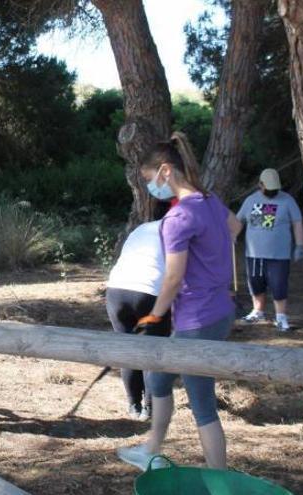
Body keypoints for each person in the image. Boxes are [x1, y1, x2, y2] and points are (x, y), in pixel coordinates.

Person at [117, 132, 241, 472]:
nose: (149, 188)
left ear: (165, 171)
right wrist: (215, 266)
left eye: (148, 180)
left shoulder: (178, 218)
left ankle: (220, 480)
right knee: (158, 378)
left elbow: (172, 278)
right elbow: (235, 226)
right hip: (218, 312)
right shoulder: (209, 200)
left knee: (202, 405)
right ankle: (151, 450)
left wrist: (154, 316)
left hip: (197, 320)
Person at [105, 201, 172, 421]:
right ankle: (150, 408)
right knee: (152, 351)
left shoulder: (141, 229)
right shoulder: (176, 232)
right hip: (149, 292)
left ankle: (133, 405)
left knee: (128, 349)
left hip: (116, 291)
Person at [235, 168, 303, 331]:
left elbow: (297, 222)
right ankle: (257, 311)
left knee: (278, 284)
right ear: (260, 185)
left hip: (278, 255)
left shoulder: (288, 201)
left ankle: (281, 317)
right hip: (254, 254)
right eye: (269, 189)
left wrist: (300, 245)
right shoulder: (250, 201)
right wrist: (232, 235)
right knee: (255, 283)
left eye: (275, 189)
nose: (272, 192)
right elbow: (239, 220)